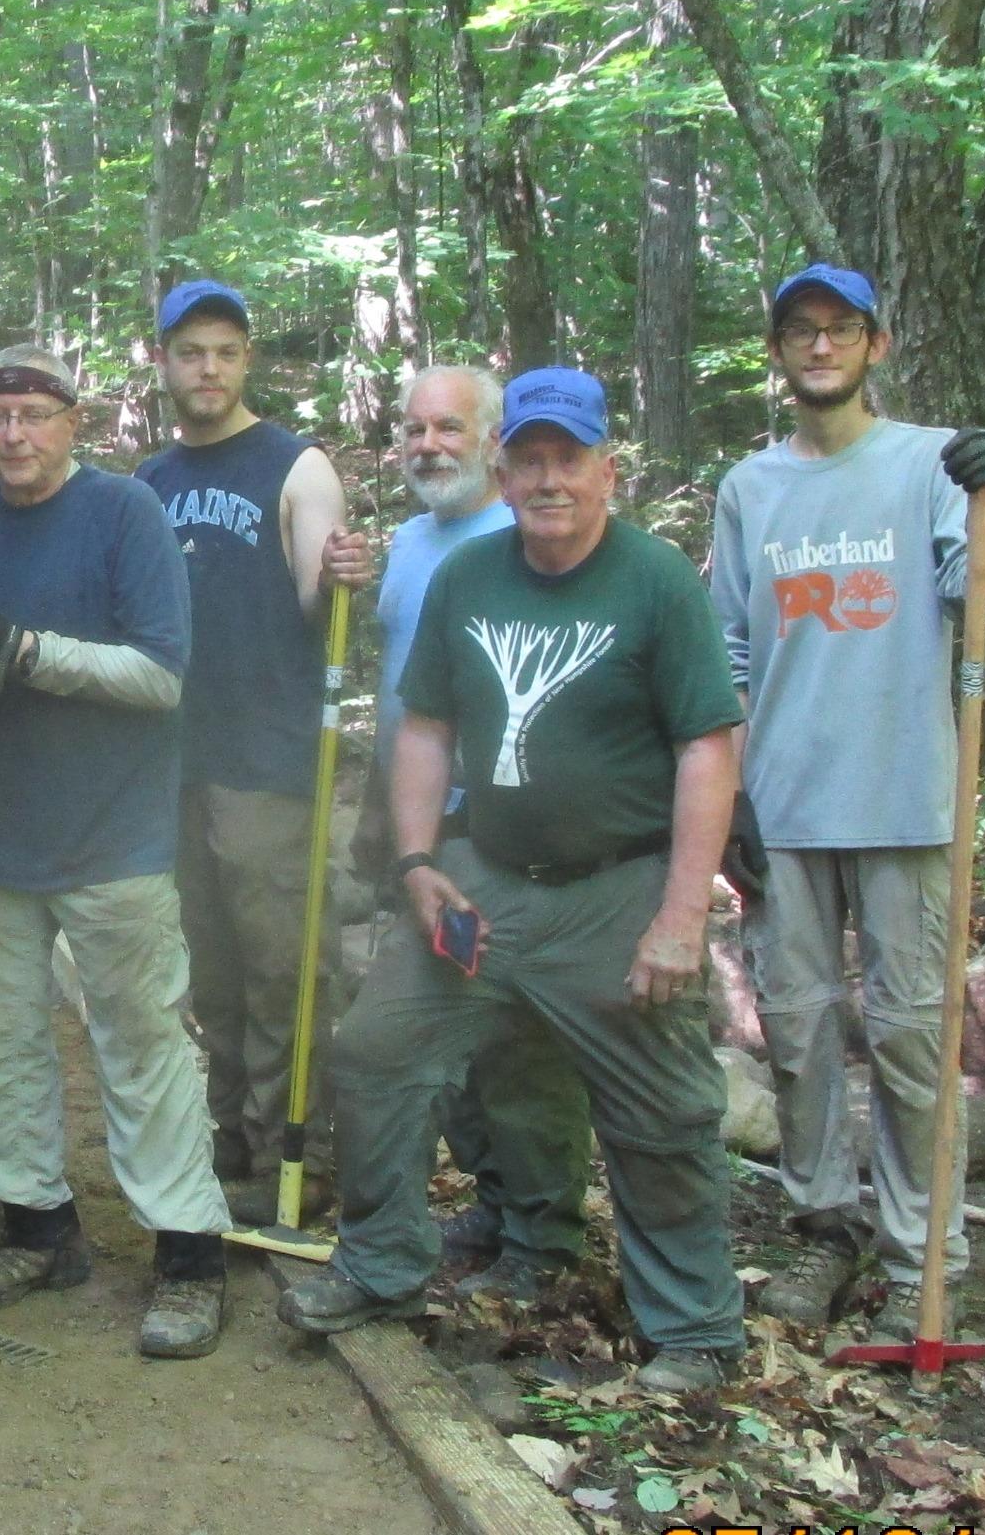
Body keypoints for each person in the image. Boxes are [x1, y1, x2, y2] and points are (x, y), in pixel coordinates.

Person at [280, 367, 746, 1397]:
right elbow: (427, 728)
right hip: (481, 876)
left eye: (566, 458)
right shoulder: (468, 575)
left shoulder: (654, 579)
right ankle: (382, 1266)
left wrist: (680, 912)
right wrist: (413, 860)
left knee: (662, 1110)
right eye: (528, 459)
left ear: (604, 470)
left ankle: (697, 1327)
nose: (547, 478)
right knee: (376, 1050)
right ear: (504, 469)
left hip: (615, 887)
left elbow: (708, 747)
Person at [0, 344, 234, 1361]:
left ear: (71, 421)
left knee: (142, 1043)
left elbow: (161, 674)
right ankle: (37, 1229)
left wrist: (25, 653)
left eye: (35, 414)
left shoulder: (124, 513)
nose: (15, 435)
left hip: (112, 832)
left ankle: (187, 1252)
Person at [710, 264, 985, 1338]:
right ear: (777, 351)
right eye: (797, 328)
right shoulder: (749, 486)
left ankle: (920, 1253)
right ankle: (819, 1225)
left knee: (905, 1034)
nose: (817, 344)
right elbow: (731, 649)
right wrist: (734, 793)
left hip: (903, 800)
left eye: (839, 327)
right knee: (795, 1031)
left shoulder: (930, 463)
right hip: (786, 806)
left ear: (874, 344)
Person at [359, 365, 595, 1299]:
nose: (429, 447)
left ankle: (542, 1233)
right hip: (423, 831)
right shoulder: (412, 543)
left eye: (450, 429)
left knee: (519, 1037)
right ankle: (497, 1202)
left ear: (492, 443)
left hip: (503, 832)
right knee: (451, 1035)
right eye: (414, 430)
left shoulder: (527, 535)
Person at [133, 279, 360, 1217]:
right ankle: (229, 1134)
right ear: (163, 362)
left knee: (283, 964)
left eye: (226, 351)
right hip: (171, 759)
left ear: (247, 359)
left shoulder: (294, 465)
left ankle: (293, 1154)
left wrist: (338, 578)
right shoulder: (147, 483)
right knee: (209, 964)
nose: (209, 368)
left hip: (267, 759)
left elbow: (317, 594)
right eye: (191, 352)